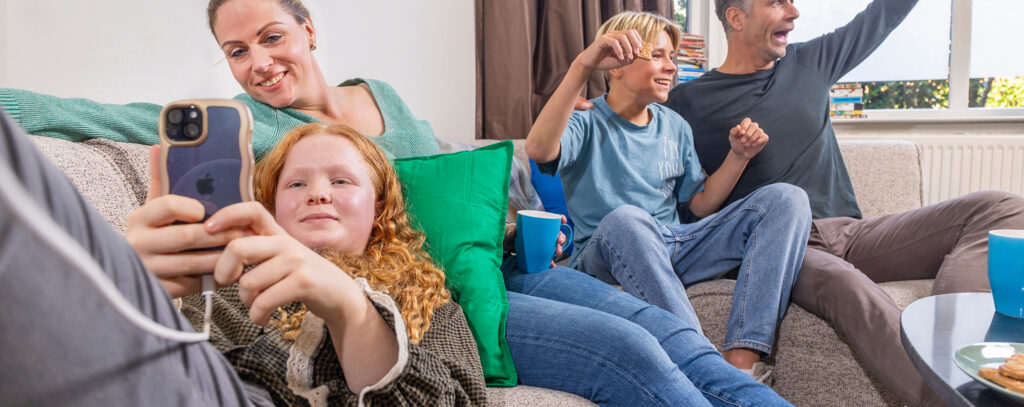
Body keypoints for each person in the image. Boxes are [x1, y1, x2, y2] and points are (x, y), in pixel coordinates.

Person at [664, 0, 1024, 405]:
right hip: (780, 249)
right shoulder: (688, 101)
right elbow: (682, 196)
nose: (794, 12)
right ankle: (958, 400)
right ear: (736, 16)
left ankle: (964, 358)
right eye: (777, 2)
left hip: (852, 233)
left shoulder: (810, 62)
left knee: (1002, 207)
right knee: (847, 286)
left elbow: (883, 14)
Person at [0, 115, 486, 406]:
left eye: (341, 181)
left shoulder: (428, 301)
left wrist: (351, 311)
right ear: (273, 207)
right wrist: (129, 293)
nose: (318, 193)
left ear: (378, 210)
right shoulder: (219, 276)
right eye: (296, 183)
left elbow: (457, 401)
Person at [525, 10, 811, 377]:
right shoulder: (585, 120)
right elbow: (539, 150)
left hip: (674, 245)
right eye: (658, 55)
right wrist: (583, 65)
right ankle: (704, 364)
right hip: (606, 251)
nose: (671, 67)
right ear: (616, 66)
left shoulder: (675, 126)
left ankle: (741, 365)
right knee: (627, 219)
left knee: (788, 198)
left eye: (672, 57)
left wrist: (739, 156)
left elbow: (700, 204)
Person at [0, 0, 439, 161]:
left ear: (308, 31)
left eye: (272, 37)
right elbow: (127, 119)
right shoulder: (249, 122)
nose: (260, 63)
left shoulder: (379, 92)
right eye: (238, 51)